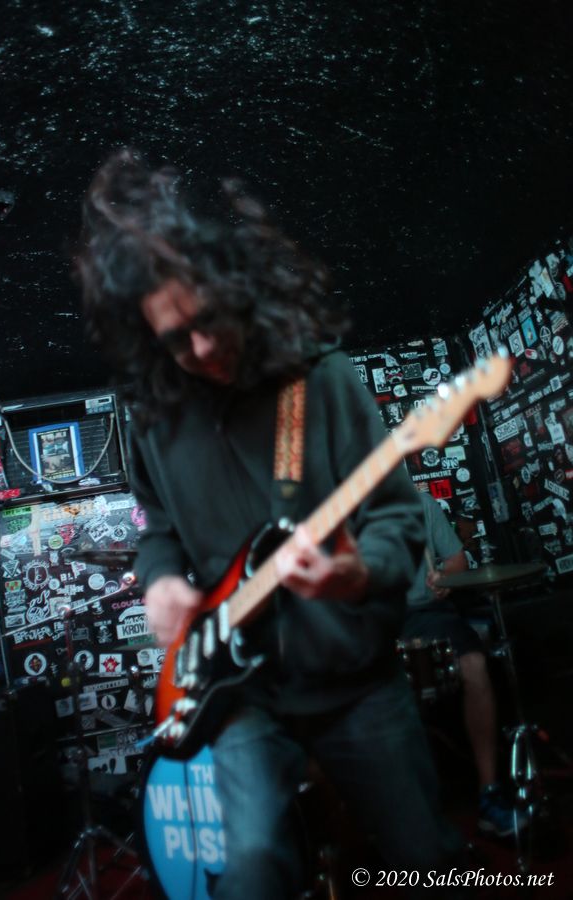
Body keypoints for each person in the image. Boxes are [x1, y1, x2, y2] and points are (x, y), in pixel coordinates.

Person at [77, 148, 466, 898]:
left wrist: (357, 572)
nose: (201, 349)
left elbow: (395, 514)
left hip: (355, 678)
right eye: (175, 340)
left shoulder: (318, 378)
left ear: (237, 288)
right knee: (252, 869)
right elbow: (157, 530)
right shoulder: (155, 416)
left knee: (424, 860)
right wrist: (160, 580)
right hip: (239, 696)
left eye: (209, 321)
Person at [402, 490, 525, 838]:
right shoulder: (339, 512)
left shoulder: (421, 503)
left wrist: (443, 578)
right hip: (372, 621)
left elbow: (457, 560)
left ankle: (489, 793)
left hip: (427, 613)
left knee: (474, 664)